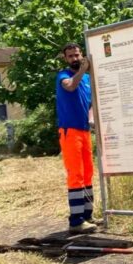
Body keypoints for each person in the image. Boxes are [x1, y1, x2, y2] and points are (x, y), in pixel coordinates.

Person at [56, 43, 97, 234]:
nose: (74, 58)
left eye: (77, 55)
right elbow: (71, 87)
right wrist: (82, 70)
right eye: (70, 56)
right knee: (76, 175)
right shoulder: (63, 76)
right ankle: (76, 221)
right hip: (69, 131)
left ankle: (88, 216)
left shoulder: (88, 79)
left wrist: (92, 120)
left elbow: (90, 103)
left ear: (82, 54)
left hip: (84, 131)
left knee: (88, 172)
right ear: (66, 59)